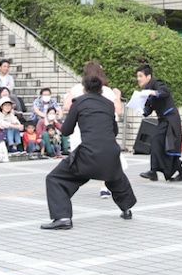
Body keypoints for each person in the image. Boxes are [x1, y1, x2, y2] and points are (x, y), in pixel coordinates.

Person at [41, 64, 136, 229]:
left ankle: (62, 218)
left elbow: (66, 131)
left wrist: (58, 122)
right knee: (114, 176)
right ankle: (126, 208)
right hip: (111, 152)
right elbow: (114, 130)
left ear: (84, 88)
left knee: (55, 178)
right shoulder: (108, 104)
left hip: (88, 153)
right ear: (101, 88)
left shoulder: (79, 102)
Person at [136, 64, 182, 182]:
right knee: (164, 145)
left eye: (140, 76)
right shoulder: (146, 91)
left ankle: (153, 172)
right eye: (137, 76)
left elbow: (164, 92)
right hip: (163, 119)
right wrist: (142, 111)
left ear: (148, 77)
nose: (138, 79)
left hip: (170, 118)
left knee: (158, 140)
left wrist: (151, 92)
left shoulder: (156, 83)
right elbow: (149, 109)